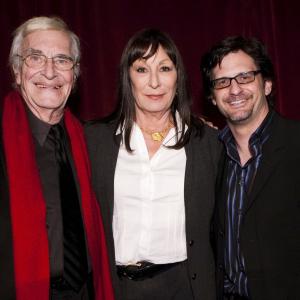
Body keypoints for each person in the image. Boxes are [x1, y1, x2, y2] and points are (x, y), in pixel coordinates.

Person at [84, 28, 221, 300]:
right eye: (142, 69)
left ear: (178, 78)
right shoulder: (93, 140)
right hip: (115, 287)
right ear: (128, 78)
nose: (155, 82)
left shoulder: (209, 143)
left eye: (165, 68)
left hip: (185, 287)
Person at [1, 16, 114, 300]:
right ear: (16, 71)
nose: (50, 71)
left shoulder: (89, 140)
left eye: (62, 60)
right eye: (35, 57)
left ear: (74, 76)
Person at [201, 36, 300, 300]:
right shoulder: (211, 154)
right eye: (222, 82)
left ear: (266, 84)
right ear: (212, 97)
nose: (234, 90)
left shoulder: (295, 143)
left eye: (244, 77)